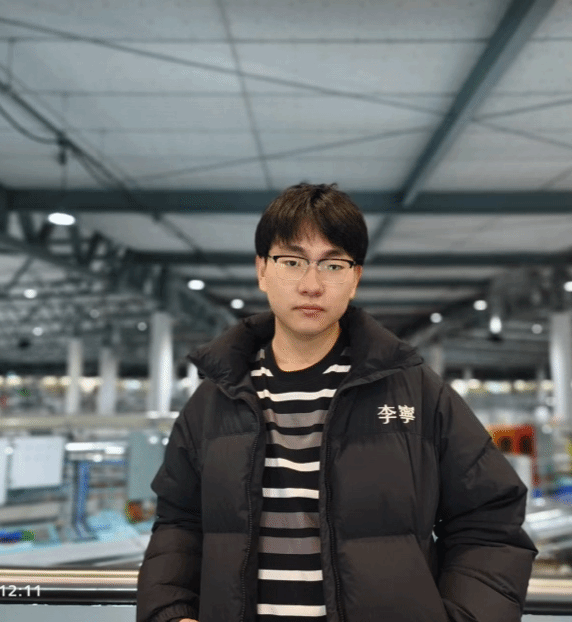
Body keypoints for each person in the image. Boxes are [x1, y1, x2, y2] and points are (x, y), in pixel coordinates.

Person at [137, 183, 537, 622]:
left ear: (355, 278)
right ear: (262, 270)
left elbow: (490, 520)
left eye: (332, 264)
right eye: (292, 262)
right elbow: (178, 523)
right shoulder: (214, 400)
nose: (311, 285)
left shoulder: (416, 393)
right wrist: (171, 614)